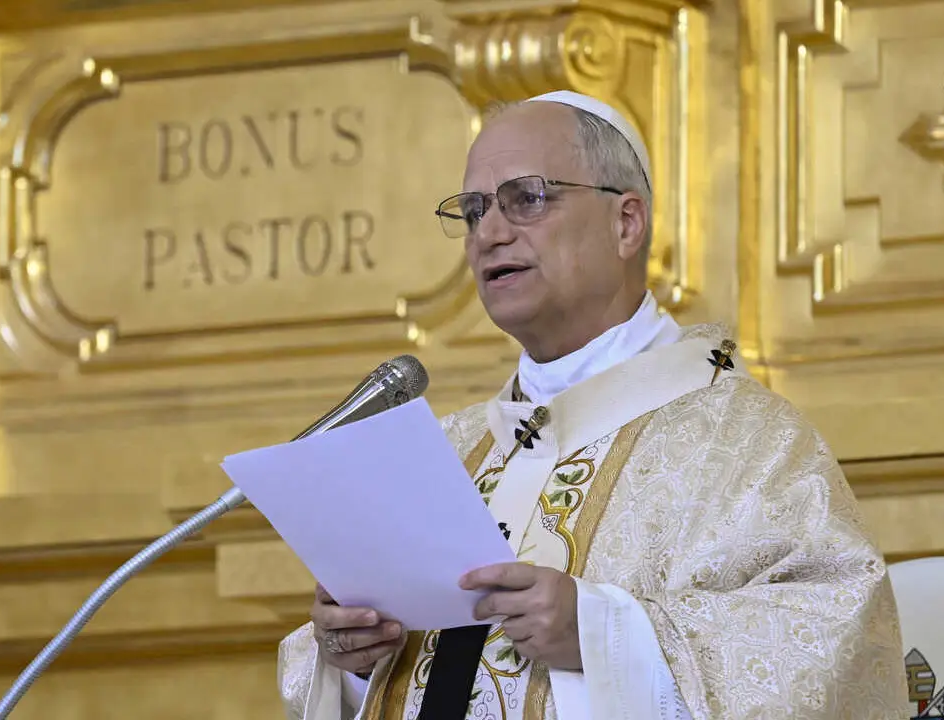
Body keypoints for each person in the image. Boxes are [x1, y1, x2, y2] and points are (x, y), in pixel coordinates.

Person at [276, 90, 906, 719]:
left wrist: (602, 636)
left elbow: (832, 648)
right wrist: (354, 661)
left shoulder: (747, 442)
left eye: (527, 198)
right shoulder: (445, 450)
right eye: (473, 211)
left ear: (626, 222)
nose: (489, 234)